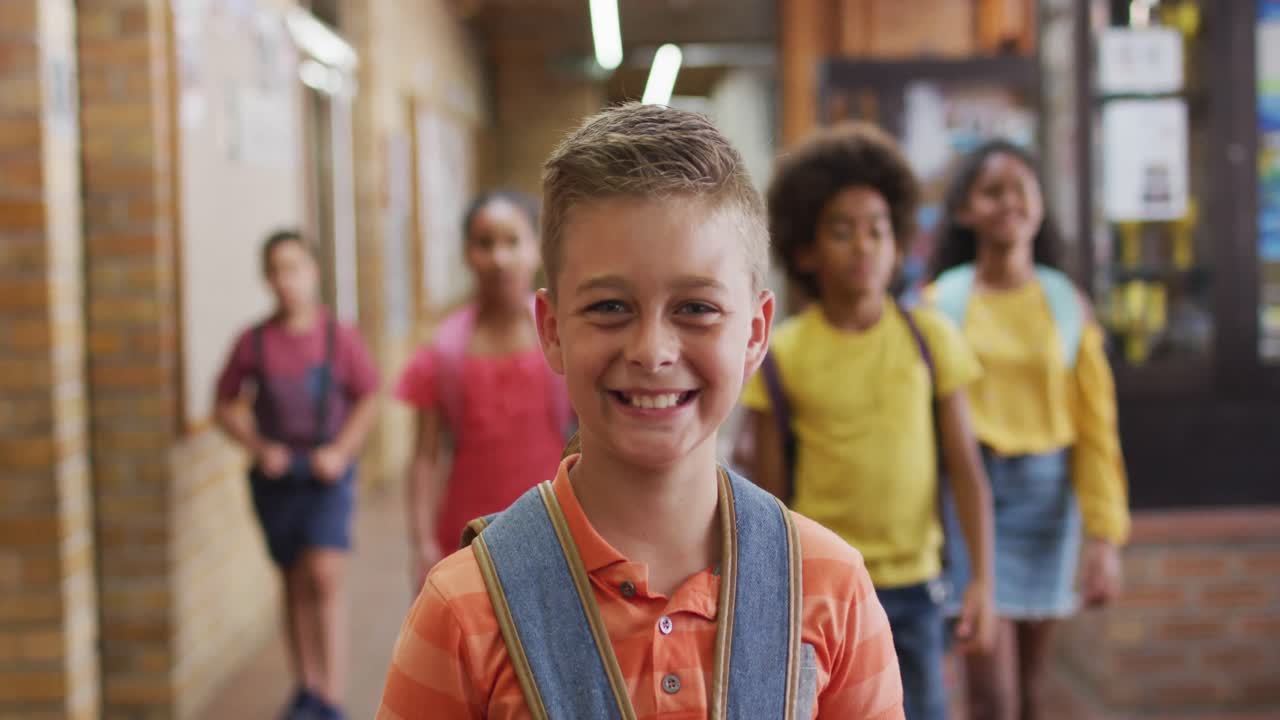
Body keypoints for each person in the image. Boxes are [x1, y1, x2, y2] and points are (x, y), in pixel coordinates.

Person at [377, 103, 905, 719]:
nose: (652, 351)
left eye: (697, 308)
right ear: (552, 329)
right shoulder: (462, 610)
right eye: (609, 307)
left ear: (756, 331)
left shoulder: (831, 587)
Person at [740, 122, 995, 720]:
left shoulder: (930, 338)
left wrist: (983, 581)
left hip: (916, 592)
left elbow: (966, 470)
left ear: (899, 244)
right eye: (842, 231)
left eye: (878, 229)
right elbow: (769, 499)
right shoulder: (783, 354)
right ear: (805, 251)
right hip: (820, 592)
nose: (863, 245)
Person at [928, 140, 1129, 720]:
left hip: (1048, 501)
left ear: (1040, 204)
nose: (1009, 202)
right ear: (965, 211)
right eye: (992, 191)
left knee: (1033, 693)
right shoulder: (941, 303)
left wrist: (1105, 538)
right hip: (971, 501)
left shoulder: (1067, 303)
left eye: (1022, 188)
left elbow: (1096, 429)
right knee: (991, 697)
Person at [215, 230, 379, 720]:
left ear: (313, 271)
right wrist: (259, 448)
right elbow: (224, 404)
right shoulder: (254, 342)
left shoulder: (339, 338)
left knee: (324, 575)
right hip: (279, 479)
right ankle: (306, 687)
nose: (286, 280)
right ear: (267, 279)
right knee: (292, 578)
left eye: (294, 268)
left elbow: (368, 397)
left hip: (327, 476)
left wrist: (342, 452)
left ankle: (331, 696)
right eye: (276, 271)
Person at [395, 191, 572, 588]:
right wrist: (422, 541)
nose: (499, 258)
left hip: (555, 531)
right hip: (467, 539)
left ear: (537, 249)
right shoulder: (444, 351)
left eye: (513, 241)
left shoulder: (564, 337)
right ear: (467, 253)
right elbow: (425, 456)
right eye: (484, 243)